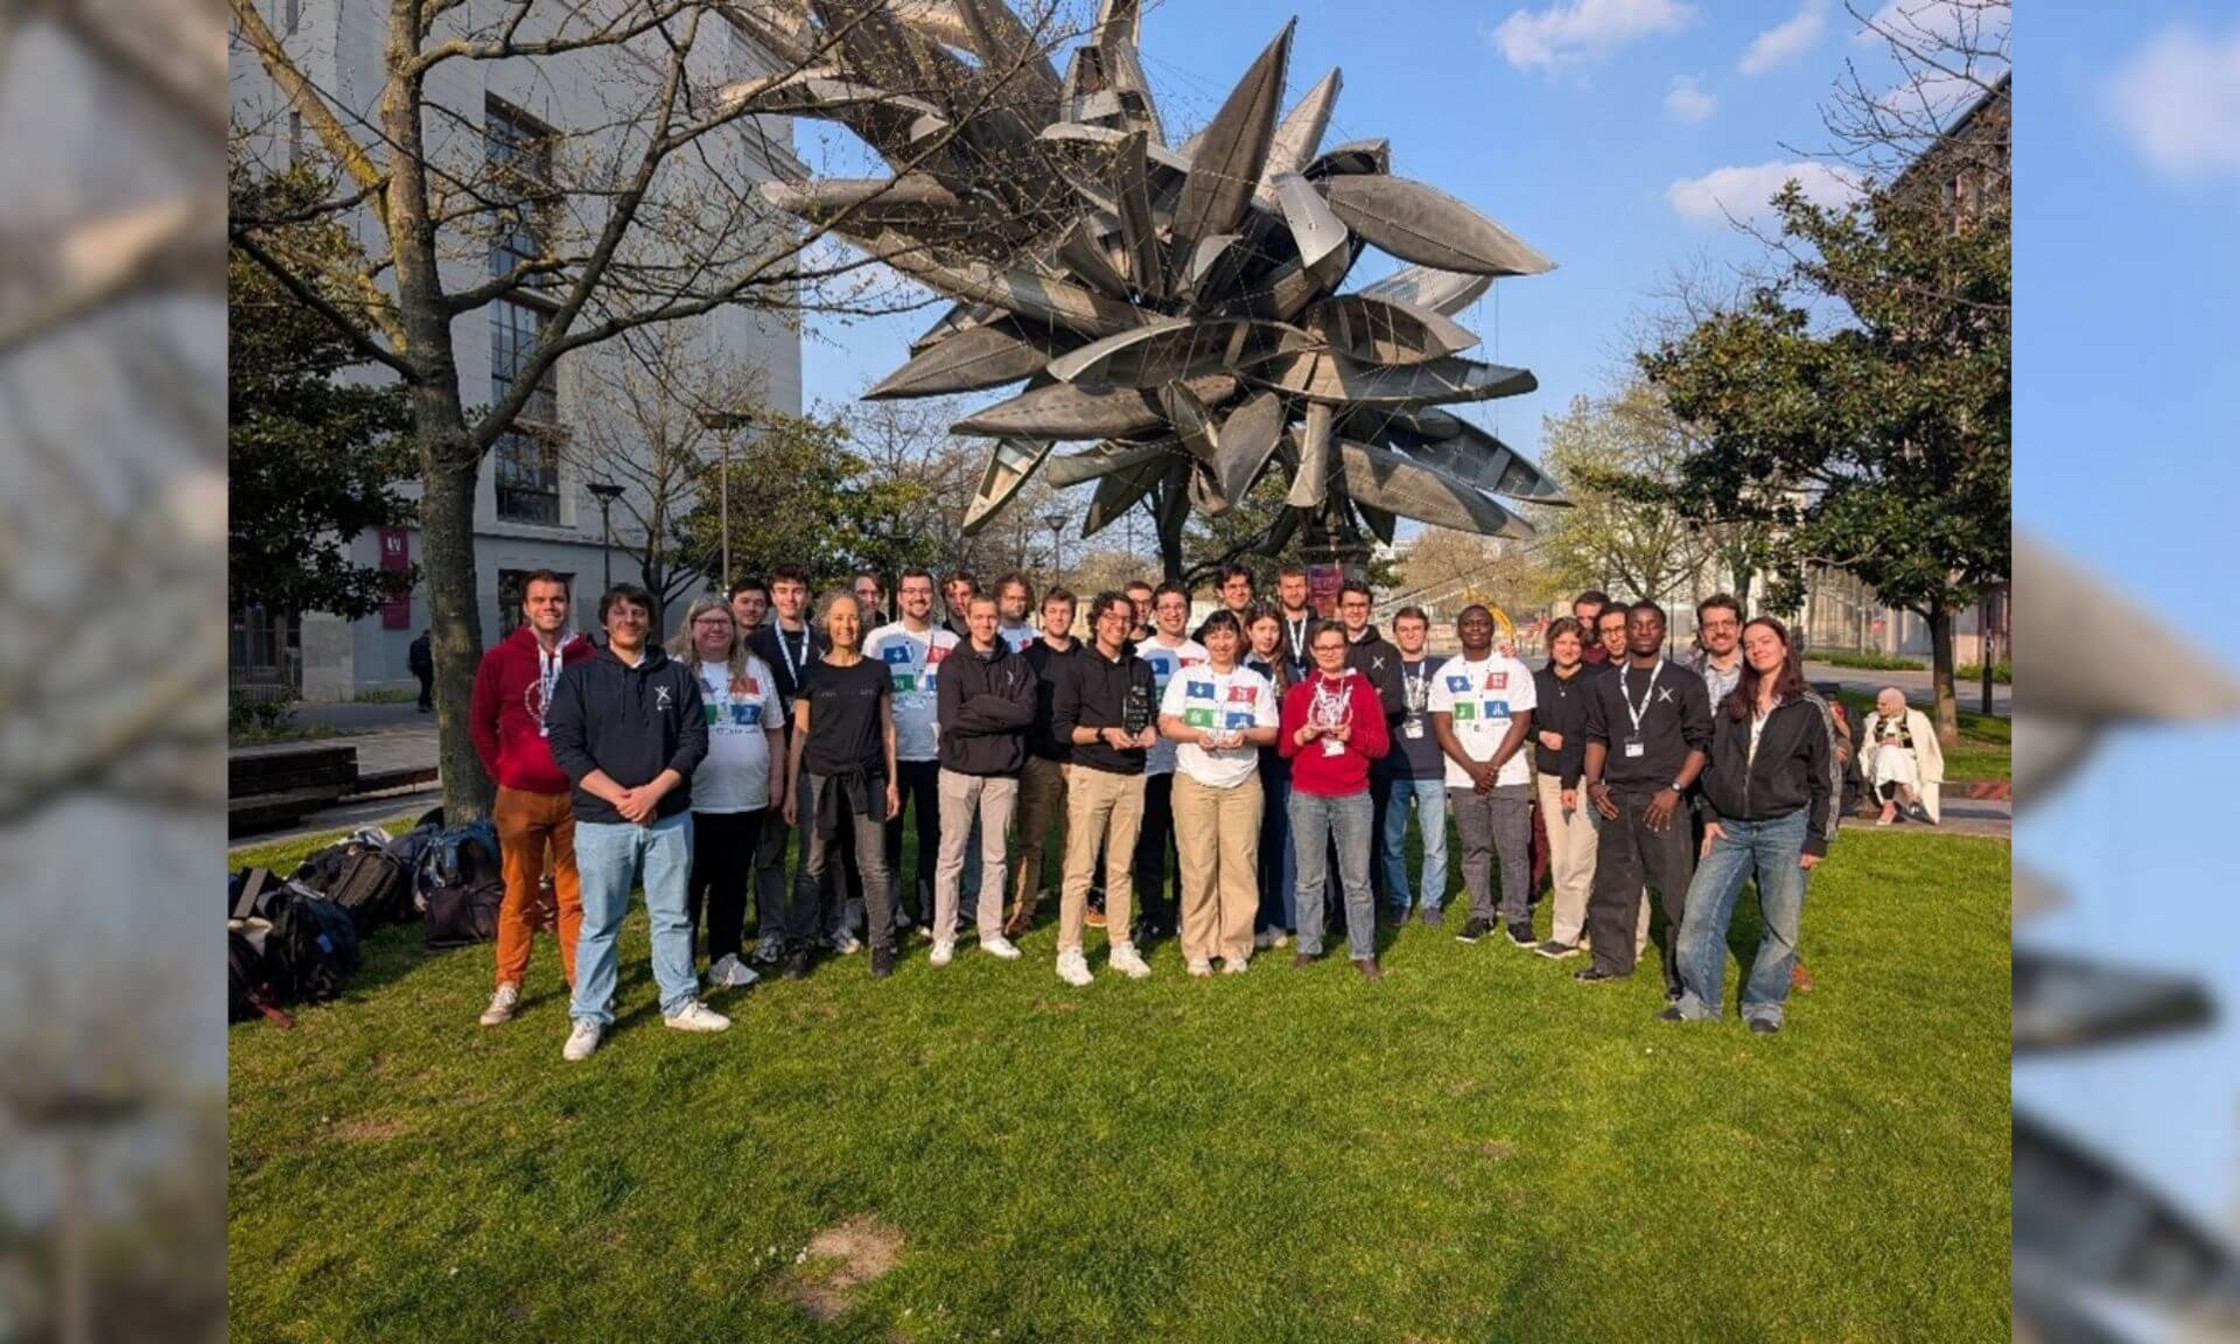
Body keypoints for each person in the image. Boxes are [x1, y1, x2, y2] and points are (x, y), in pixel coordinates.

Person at [545, 583, 720, 1061]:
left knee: (672, 915)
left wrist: (653, 792)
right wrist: (618, 796)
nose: (629, 619)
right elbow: (565, 745)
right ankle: (589, 1014)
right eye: (619, 613)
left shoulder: (677, 677)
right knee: (600, 921)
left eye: (638, 612)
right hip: (602, 820)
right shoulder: (579, 679)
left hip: (668, 816)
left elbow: (694, 741)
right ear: (605, 623)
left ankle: (679, 1001)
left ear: (649, 620)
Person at [1669, 617, 1839, 1033]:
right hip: (1729, 828)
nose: (1757, 649)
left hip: (1785, 828)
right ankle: (1699, 999)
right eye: (1750, 644)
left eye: (1766, 641)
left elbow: (1828, 778)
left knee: (1781, 924)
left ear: (1784, 646)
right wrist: (1708, 815)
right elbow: (1711, 765)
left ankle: (1764, 1004)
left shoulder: (1808, 707)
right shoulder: (1732, 705)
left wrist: (1818, 838)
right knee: (1700, 913)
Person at [467, 570, 593, 1027]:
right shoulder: (501, 659)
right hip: (520, 797)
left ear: (566, 603)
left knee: (574, 897)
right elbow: (480, 724)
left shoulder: (587, 657)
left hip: (576, 797)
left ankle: (581, 982)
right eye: (539, 599)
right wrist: (502, 772)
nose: (549, 606)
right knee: (518, 894)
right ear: (525, 607)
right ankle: (508, 983)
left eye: (557, 599)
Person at [1577, 602, 1714, 996]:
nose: (1642, 631)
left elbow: (1700, 743)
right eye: (1635, 625)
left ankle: (1681, 973)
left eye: (1651, 625)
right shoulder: (1605, 684)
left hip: (1663, 799)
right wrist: (1593, 783)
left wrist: (1675, 790)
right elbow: (1596, 737)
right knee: (1613, 886)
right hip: (1618, 798)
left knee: (1675, 891)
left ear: (1662, 631)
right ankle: (1610, 961)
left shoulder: (1684, 681)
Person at [782, 590, 902, 979]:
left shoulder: (876, 671)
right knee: (812, 864)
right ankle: (799, 944)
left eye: (852, 618)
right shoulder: (813, 673)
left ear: (861, 623)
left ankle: (882, 943)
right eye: (838, 618)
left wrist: (893, 782)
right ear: (826, 623)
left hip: (868, 778)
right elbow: (799, 733)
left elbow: (887, 730)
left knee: (874, 865)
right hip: (819, 779)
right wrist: (789, 788)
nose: (846, 625)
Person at [669, 598, 782, 990]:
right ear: (692, 626)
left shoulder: (755, 669)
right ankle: (679, 963)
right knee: (688, 885)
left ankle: (724, 958)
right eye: (707, 621)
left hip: (745, 798)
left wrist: (777, 781)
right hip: (692, 801)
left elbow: (775, 731)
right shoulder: (675, 670)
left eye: (724, 622)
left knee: (732, 883)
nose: (716, 629)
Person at [1160, 610, 1279, 976]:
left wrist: (1246, 736)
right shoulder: (1186, 677)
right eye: (1214, 636)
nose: (1222, 643)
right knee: (1197, 865)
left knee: (1240, 865)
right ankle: (1198, 947)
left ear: (1239, 639)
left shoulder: (1254, 680)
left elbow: (1271, 731)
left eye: (1228, 636)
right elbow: (1167, 723)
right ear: (1205, 641)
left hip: (1241, 783)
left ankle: (1235, 945)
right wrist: (1196, 735)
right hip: (1194, 780)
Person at [1050, 591, 1160, 985]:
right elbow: (1062, 729)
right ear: (1097, 620)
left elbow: (1150, 716)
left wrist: (1150, 731)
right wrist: (1102, 733)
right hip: (1091, 774)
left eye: (1126, 618)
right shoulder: (1076, 668)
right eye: (1111, 617)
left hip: (1132, 776)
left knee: (1120, 867)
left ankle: (1119, 944)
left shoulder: (1141, 668)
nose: (1119, 624)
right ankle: (1070, 949)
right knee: (1080, 868)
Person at [1280, 621, 1392, 979]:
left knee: (1357, 879)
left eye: (1336, 646)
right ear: (1312, 651)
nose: (1329, 652)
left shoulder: (1361, 690)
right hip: (1308, 794)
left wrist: (1352, 734)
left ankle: (1363, 950)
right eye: (1322, 647)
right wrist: (1301, 734)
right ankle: (1308, 946)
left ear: (1345, 649)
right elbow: (1284, 747)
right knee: (1309, 877)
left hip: (1353, 794)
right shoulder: (1299, 693)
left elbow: (1381, 746)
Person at [931, 593, 1036, 965]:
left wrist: (979, 705)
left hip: (1002, 774)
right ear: (968, 618)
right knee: (951, 856)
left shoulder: (1018, 665)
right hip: (959, 771)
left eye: (992, 617)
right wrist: (997, 712)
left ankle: (991, 931)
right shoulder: (952, 666)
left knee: (996, 856)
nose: (986, 624)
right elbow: (953, 719)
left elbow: (1025, 714)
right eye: (979, 617)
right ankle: (944, 933)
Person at [1429, 605, 1539, 947]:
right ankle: (1480, 913)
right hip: (1464, 777)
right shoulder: (1446, 673)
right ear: (1458, 630)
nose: (1475, 628)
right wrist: (1473, 767)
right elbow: (1442, 727)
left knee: (1514, 849)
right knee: (1475, 848)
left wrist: (1491, 766)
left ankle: (1517, 917)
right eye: (1468, 623)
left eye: (1482, 623)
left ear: (1492, 629)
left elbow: (1522, 721)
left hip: (1509, 775)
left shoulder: (1514, 669)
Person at [745, 566, 832, 961]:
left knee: (820, 845)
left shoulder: (824, 640)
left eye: (798, 590)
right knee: (771, 849)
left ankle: (814, 923)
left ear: (808, 596)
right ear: (773, 596)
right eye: (782, 591)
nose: (791, 598)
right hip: (773, 755)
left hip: (820, 756)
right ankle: (772, 929)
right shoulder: (756, 643)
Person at [866, 570, 957, 930]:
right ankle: (890, 910)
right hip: (893, 757)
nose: (918, 597)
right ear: (899, 598)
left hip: (938, 757)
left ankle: (929, 910)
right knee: (888, 839)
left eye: (924, 591)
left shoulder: (950, 641)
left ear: (932, 597)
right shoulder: (879, 639)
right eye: (911, 591)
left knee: (932, 837)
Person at [1527, 618, 1613, 960]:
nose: (1568, 649)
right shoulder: (1537, 682)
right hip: (1549, 777)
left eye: (1575, 643)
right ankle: (1570, 926)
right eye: (1561, 642)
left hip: (1583, 778)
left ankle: (1572, 931)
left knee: (1581, 856)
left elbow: (1593, 730)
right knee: (1561, 858)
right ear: (1551, 645)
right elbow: (1524, 720)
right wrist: (1540, 734)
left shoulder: (1594, 682)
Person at [1133, 581, 1208, 942]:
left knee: (1186, 846)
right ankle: (1151, 914)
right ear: (1154, 611)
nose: (1173, 612)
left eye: (1179, 606)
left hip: (1190, 765)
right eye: (1165, 607)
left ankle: (1184, 911)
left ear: (1188, 610)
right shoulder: (1139, 653)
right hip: (1149, 765)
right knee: (1149, 845)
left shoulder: (1203, 653)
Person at [1007, 587, 1078, 935]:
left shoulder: (1085, 656)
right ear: (1043, 616)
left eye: (1065, 612)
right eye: (1052, 611)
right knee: (1031, 841)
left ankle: (1073, 905)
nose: (1058, 617)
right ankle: (1023, 909)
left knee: (1076, 840)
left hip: (1080, 761)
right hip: (1040, 760)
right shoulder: (1027, 657)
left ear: (1073, 616)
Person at [1337, 581, 1407, 911]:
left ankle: (1373, 903)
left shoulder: (1387, 652)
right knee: (1335, 833)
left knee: (1372, 830)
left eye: (1361, 604)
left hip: (1374, 755)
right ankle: (1336, 906)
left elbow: (1392, 703)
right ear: (1340, 608)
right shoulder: (1328, 645)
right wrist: (1369, 698)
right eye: (1349, 604)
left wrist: (1351, 705)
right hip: (1334, 756)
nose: (1355, 610)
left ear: (1369, 608)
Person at [1383, 606, 1451, 925]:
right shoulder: (1386, 668)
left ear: (1427, 632)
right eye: (1404, 629)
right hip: (1394, 768)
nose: (1411, 635)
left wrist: (1506, 657)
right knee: (1392, 841)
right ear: (1395, 633)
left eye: (1417, 629)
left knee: (1434, 842)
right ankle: (1399, 899)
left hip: (1432, 768)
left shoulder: (1442, 668)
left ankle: (1431, 901)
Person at [1244, 605, 1297, 947]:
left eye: (1273, 629)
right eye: (1261, 628)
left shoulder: (1292, 668)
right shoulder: (1239, 668)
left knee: (1284, 840)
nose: (1268, 635)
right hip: (1247, 761)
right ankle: (1255, 919)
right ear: (1249, 631)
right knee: (1252, 842)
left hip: (1285, 763)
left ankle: (1282, 917)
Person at [1862, 687, 1943, 825]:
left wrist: (1899, 743)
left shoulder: (1916, 719)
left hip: (1908, 762)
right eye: (1878, 703)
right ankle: (1909, 793)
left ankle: (1889, 808)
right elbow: (1866, 748)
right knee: (1888, 752)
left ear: (1894, 704)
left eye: (1883, 704)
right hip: (1877, 760)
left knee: (1891, 754)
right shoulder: (1873, 719)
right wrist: (1882, 744)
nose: (1878, 707)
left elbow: (1924, 747)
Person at [1688, 594, 1746, 707]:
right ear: (1702, 634)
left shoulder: (1759, 672)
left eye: (1727, 624)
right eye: (1711, 626)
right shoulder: (1688, 675)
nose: (1720, 631)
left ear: (1739, 629)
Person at [1273, 564, 1315, 679]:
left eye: (1299, 586)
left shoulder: (1320, 625)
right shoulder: (1271, 624)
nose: (1294, 592)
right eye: (1288, 587)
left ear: (1308, 588)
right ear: (1279, 590)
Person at [994, 572, 1039, 653]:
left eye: (1021, 599)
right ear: (998, 600)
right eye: (1011, 598)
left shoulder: (1037, 638)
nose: (1017, 603)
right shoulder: (990, 636)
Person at [1573, 591, 1613, 666]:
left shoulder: (1618, 652)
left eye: (1591, 618)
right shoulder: (1568, 650)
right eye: (1580, 618)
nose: (1585, 625)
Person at [943, 571, 979, 641]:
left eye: (965, 595)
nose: (959, 601)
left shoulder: (988, 633)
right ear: (945, 600)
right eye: (952, 596)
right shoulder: (938, 636)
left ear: (975, 596)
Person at [1125, 579, 1157, 646]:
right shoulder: (1113, 640)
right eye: (1135, 603)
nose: (1141, 608)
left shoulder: (1159, 639)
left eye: (1146, 603)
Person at [409, 628, 434, 711]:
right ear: (429, 634)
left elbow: (411, 657)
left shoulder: (414, 643)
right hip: (428, 668)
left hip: (418, 668)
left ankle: (428, 702)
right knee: (427, 686)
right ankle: (422, 703)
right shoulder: (429, 643)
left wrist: (413, 670)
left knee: (424, 685)